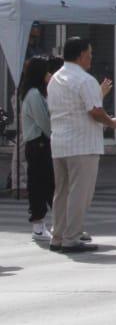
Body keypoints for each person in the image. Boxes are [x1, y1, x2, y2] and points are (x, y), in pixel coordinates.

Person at [47, 38, 116, 254]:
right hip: (83, 144)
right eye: (89, 53)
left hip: (60, 143)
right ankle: (71, 238)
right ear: (80, 55)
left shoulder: (55, 79)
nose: (91, 57)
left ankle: (58, 236)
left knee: (62, 192)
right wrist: (112, 122)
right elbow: (94, 111)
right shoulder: (84, 80)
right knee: (80, 193)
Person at [19, 55, 60, 242]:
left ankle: (57, 223)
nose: (49, 74)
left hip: (41, 144)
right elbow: (44, 121)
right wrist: (56, 135)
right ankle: (38, 225)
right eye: (46, 70)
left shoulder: (37, 92)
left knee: (49, 183)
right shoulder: (34, 94)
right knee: (39, 184)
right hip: (38, 144)